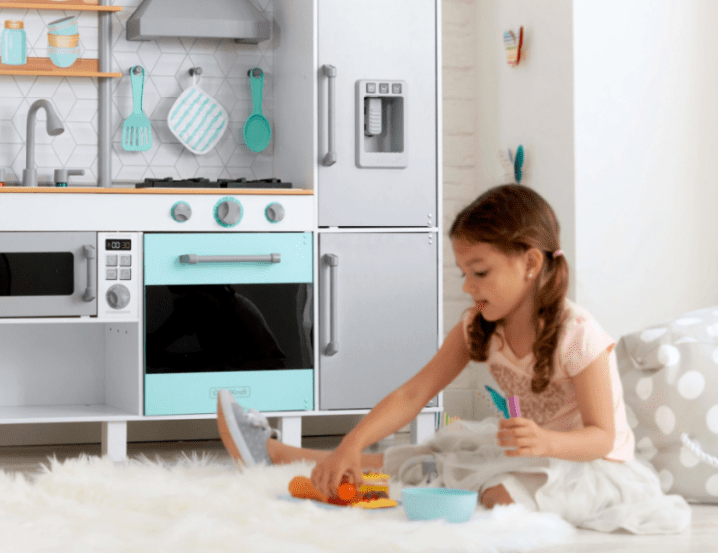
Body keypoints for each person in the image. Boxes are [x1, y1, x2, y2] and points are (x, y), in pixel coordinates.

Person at [216, 184, 691, 533]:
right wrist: (351, 442)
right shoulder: (477, 327)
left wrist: (545, 441)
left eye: (479, 271)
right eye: (464, 272)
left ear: (530, 263)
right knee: (434, 454)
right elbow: (414, 393)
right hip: (530, 449)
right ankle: (284, 455)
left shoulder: (578, 335)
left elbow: (602, 437)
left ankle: (290, 455)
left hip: (590, 465)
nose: (468, 286)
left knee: (496, 495)